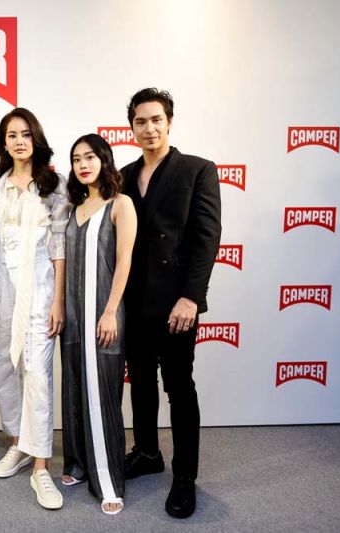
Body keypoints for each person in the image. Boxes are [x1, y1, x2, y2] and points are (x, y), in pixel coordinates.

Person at [120, 88, 221, 518]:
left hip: (177, 304)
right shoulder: (123, 175)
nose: (149, 128)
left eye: (156, 120)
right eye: (141, 121)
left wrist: (191, 298)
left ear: (169, 122)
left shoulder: (197, 170)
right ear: (131, 127)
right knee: (141, 383)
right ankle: (147, 453)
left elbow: (206, 239)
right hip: (134, 302)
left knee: (179, 388)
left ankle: (184, 477)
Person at [0, 108, 69, 509]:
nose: (19, 141)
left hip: (40, 292)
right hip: (2, 292)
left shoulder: (54, 185)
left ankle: (41, 467)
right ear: (3, 143)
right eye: (11, 135)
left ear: (36, 138)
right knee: (4, 367)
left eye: (25, 134)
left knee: (36, 375)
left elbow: (59, 246)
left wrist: (58, 300)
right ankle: (18, 443)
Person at [60, 134, 137, 515]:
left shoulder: (120, 204)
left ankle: (108, 480)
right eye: (77, 159)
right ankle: (77, 463)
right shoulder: (72, 208)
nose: (83, 165)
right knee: (75, 387)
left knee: (102, 393)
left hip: (104, 312)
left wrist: (110, 310)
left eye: (90, 157)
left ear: (104, 160)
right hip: (74, 315)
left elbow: (124, 261)